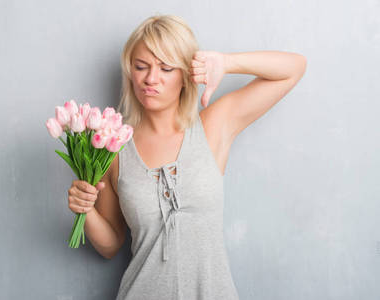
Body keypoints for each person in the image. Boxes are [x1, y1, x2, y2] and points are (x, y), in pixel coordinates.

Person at [67, 14, 306, 299]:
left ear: (185, 76)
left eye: (166, 68)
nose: (150, 79)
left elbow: (294, 67)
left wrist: (226, 64)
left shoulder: (213, 127)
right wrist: (87, 210)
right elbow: (111, 245)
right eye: (141, 66)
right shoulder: (113, 149)